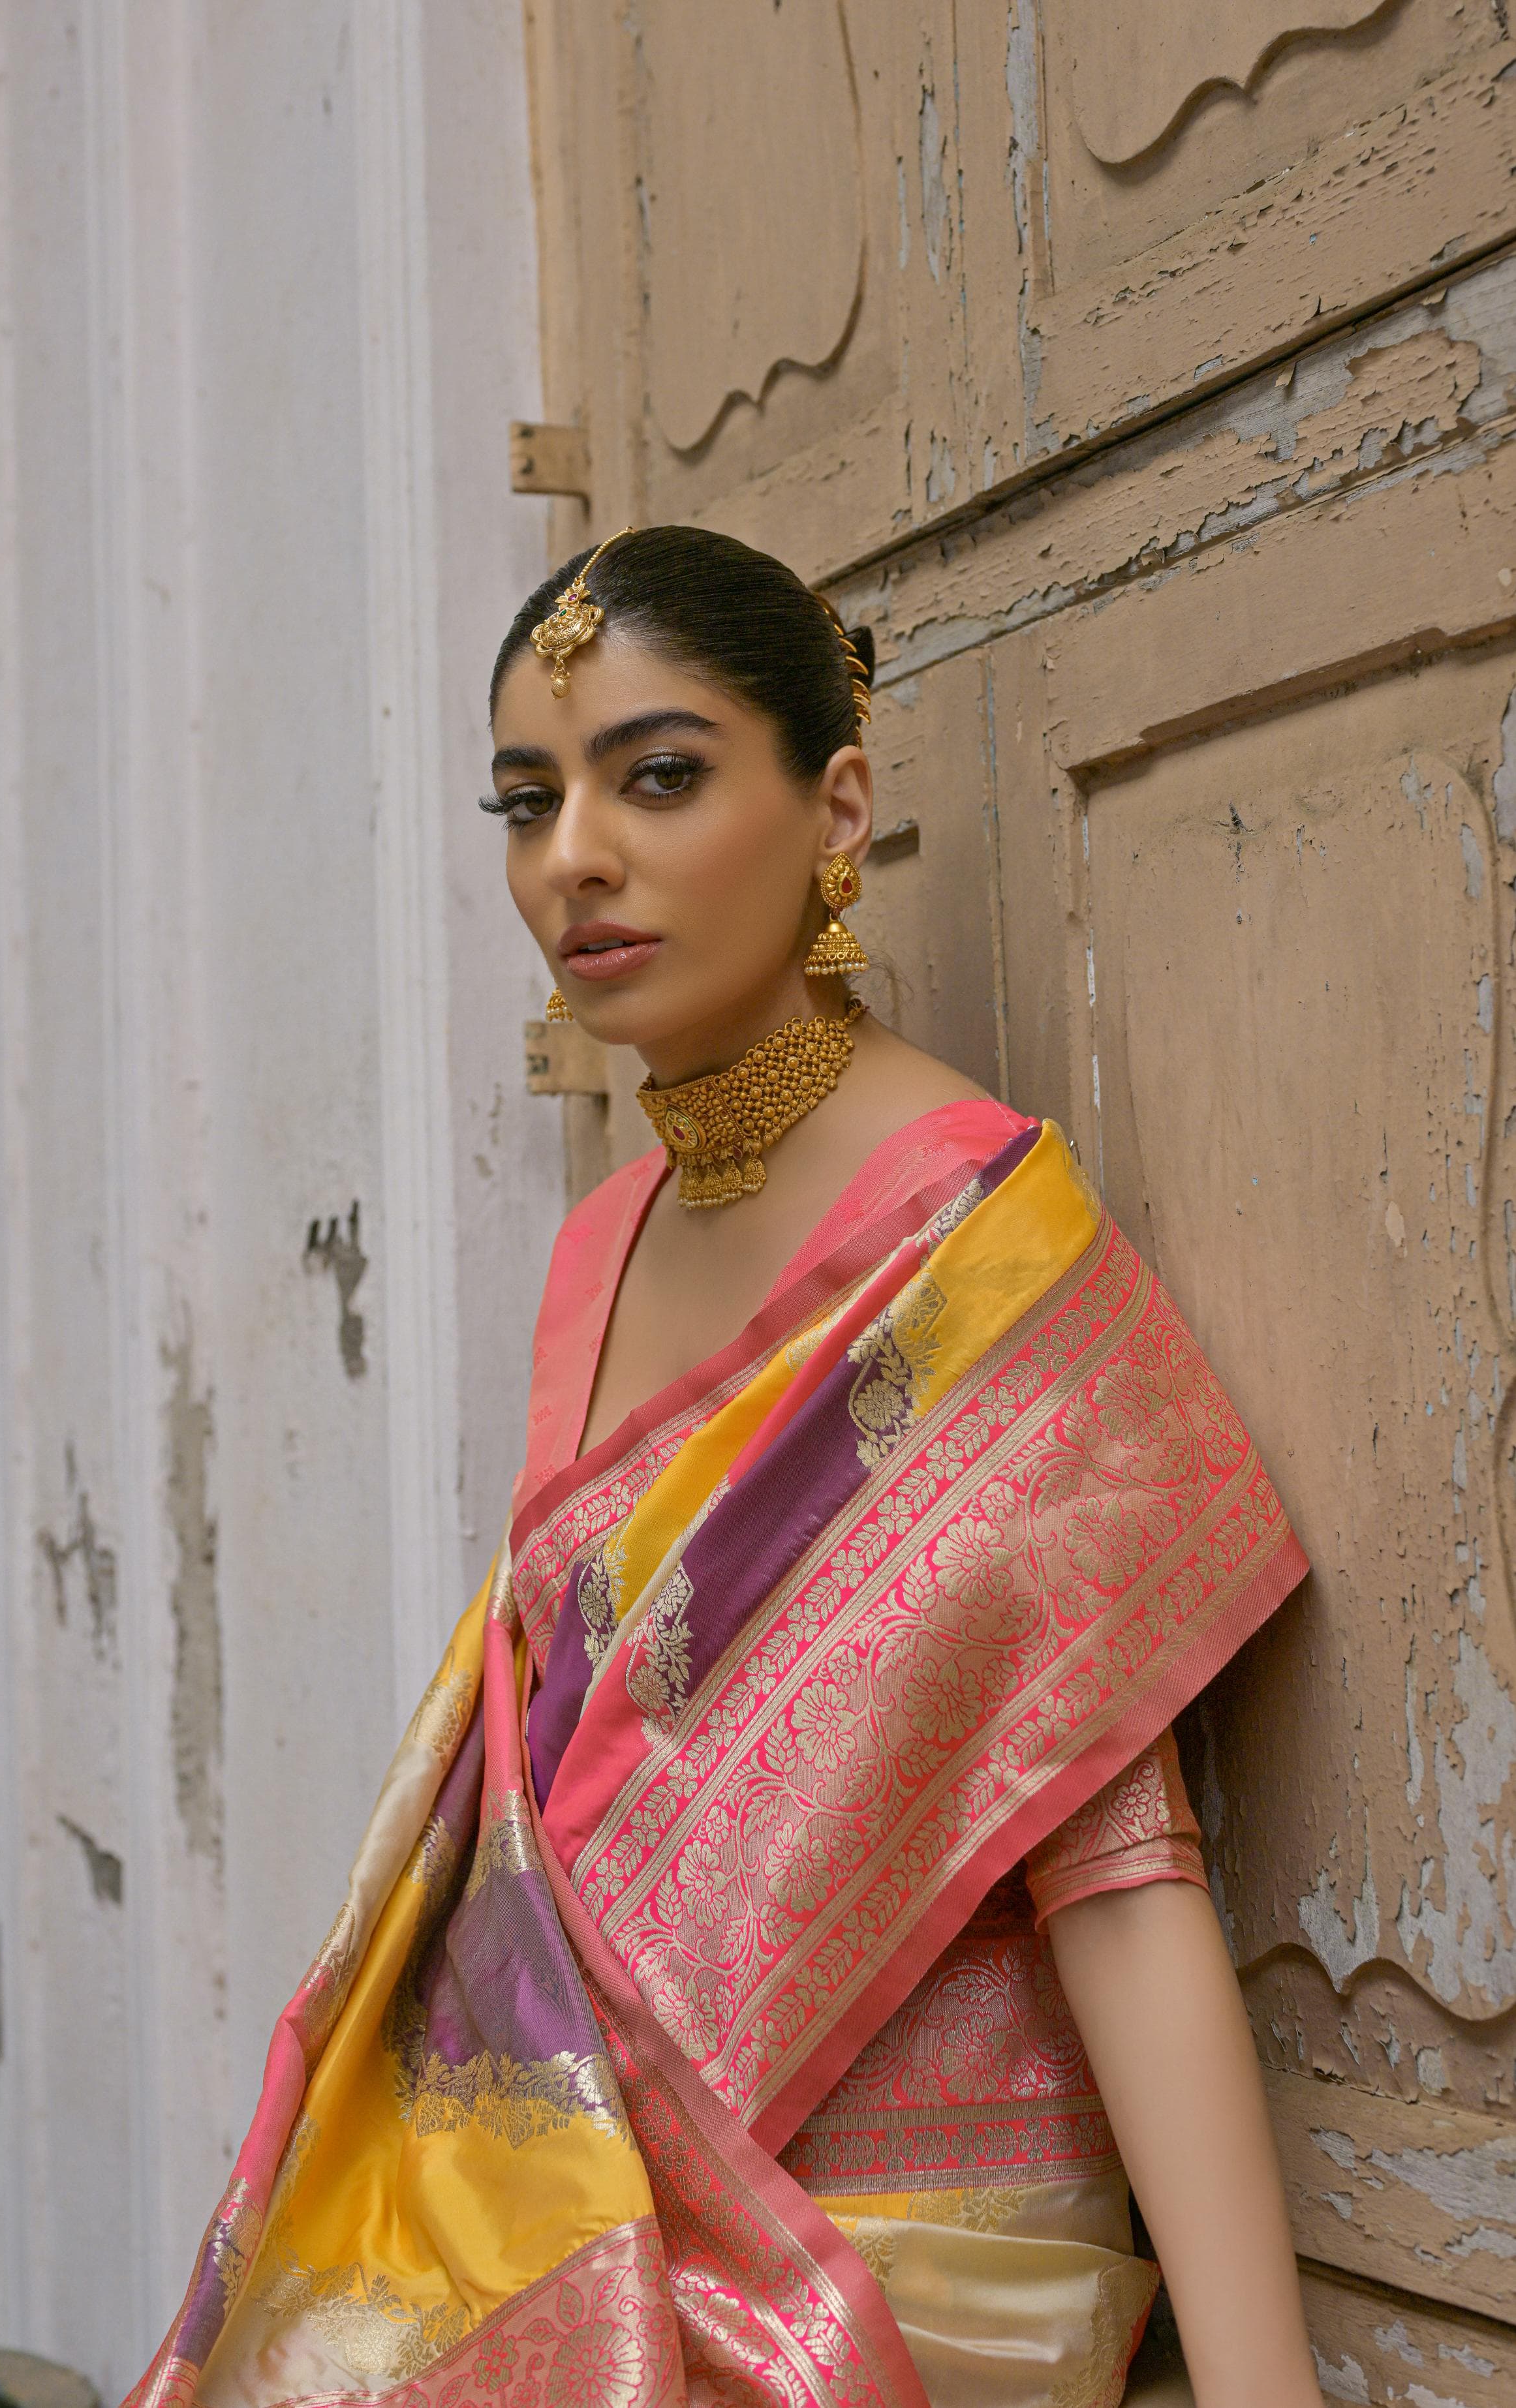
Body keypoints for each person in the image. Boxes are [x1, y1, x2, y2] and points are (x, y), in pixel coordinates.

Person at [129, 528, 1320, 2408]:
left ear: (835, 803)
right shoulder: (592, 1252)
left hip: (899, 2253)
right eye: (529, 800)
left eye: (657, 774)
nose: (573, 856)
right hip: (584, 2206)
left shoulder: (972, 1242)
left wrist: (1267, 2392)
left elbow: (1113, 1851)